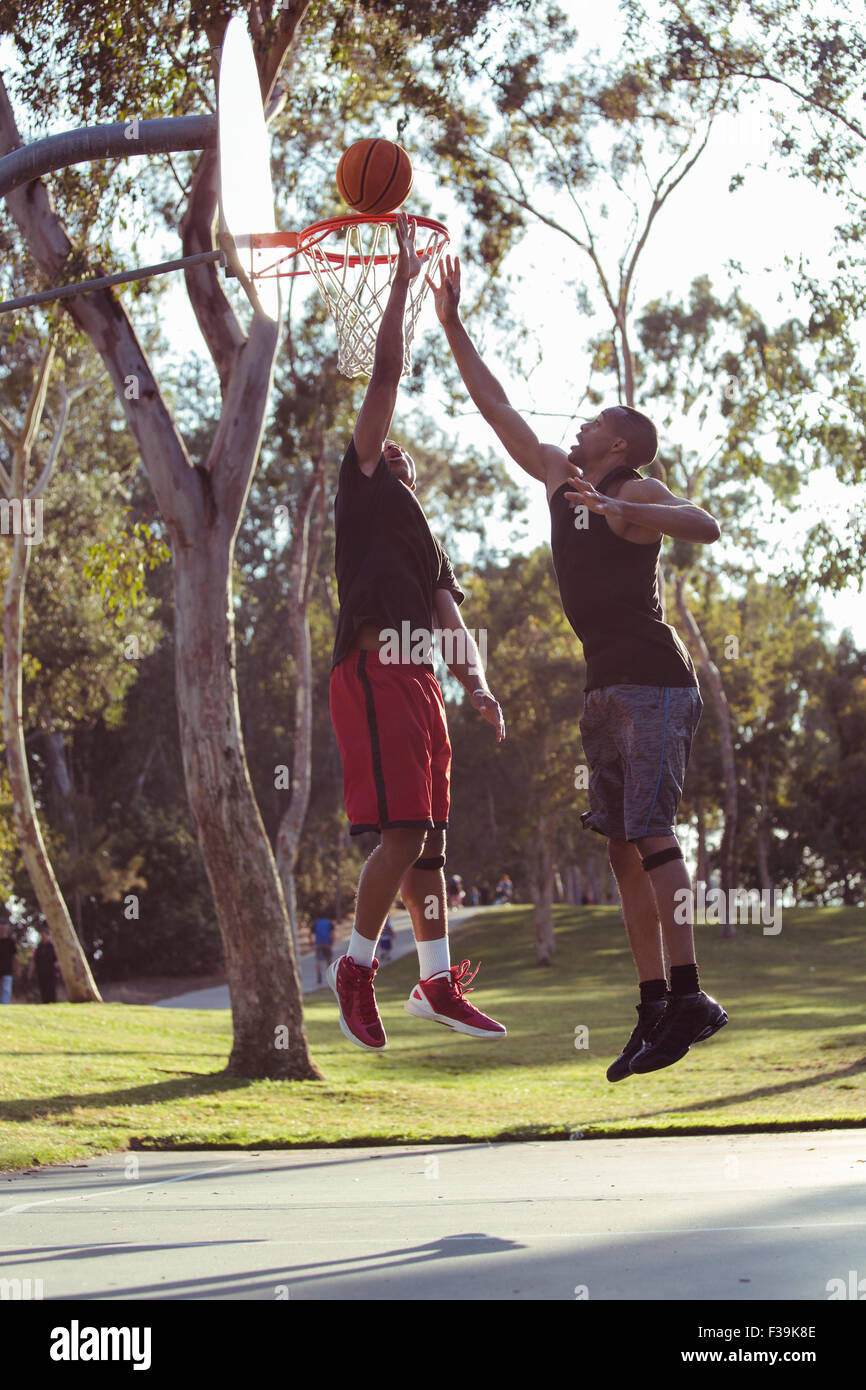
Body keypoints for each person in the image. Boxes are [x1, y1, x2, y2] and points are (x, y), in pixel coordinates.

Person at [430, 255, 727, 1080]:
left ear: (621, 442)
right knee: (619, 852)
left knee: (651, 831)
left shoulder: (634, 490)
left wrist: (621, 507)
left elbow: (702, 524)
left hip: (655, 683)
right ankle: (653, 1006)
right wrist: (453, 323)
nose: (584, 423)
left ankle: (693, 993)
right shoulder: (562, 477)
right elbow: (497, 412)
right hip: (603, 690)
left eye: (599, 418)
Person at [328, 212, 507, 1051]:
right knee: (401, 832)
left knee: (429, 845)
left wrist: (477, 683)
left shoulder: (421, 529)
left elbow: (448, 612)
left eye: (399, 446)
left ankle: (435, 980)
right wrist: (401, 281)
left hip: (425, 678)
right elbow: (388, 371)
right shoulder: (360, 487)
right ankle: (357, 965)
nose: (389, 441)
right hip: (372, 671)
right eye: (379, 439)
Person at [30, 928, 58, 1003]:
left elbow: (58, 959)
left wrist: (56, 965)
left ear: (48, 936)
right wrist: (30, 972)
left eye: (44, 936)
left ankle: (52, 1003)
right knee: (43, 988)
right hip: (41, 972)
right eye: (41, 936)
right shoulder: (38, 948)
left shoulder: (53, 947)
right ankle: (45, 1002)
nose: (43, 937)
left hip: (51, 973)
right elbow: (33, 960)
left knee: (51, 989)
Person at [311, 913, 335, 986]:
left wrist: (311, 942)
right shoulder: (329, 923)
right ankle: (330, 977)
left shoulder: (316, 923)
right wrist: (332, 942)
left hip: (318, 944)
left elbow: (310, 934)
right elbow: (332, 933)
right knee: (329, 960)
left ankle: (319, 977)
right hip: (327, 943)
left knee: (318, 960)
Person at [0, 920, 16, 1004]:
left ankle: (4, 1007)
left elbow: (15, 957)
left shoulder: (10, 942)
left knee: (6, 990)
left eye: (3, 929)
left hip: (7, 970)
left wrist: (17, 968)